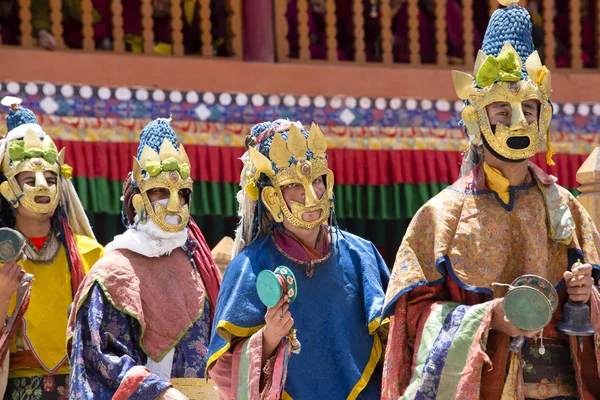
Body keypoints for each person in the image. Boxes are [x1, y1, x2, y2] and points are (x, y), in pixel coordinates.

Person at [381, 1, 600, 399]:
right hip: (485, 384)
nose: (517, 121)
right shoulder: (441, 216)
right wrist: (487, 318)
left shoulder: (566, 208)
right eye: (502, 109)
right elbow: (411, 324)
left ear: (543, 116)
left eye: (528, 109)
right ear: (476, 119)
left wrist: (588, 299)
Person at [207, 119, 389, 399]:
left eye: (317, 180)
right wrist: (269, 338)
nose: (312, 194)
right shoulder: (250, 266)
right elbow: (223, 373)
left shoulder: (361, 255)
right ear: (270, 197)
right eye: (294, 184)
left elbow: (397, 345)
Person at [67, 117, 221, 398]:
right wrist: (162, 393)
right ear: (139, 201)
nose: (174, 203)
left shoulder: (198, 264)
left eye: (181, 193)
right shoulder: (112, 272)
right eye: (160, 192)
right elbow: (101, 358)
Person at [0, 97, 103, 398]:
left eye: (50, 176)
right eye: (29, 178)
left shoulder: (90, 254)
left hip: (78, 385)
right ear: (7, 189)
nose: (42, 185)